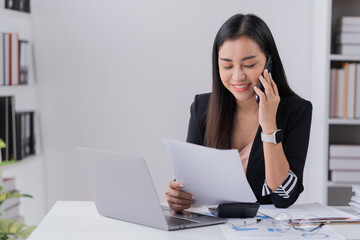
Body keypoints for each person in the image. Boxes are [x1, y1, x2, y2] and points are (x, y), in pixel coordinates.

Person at [165, 13, 312, 210]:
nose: (237, 76)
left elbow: (284, 196)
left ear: (269, 63)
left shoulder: (296, 111)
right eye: (227, 65)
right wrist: (178, 196)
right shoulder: (202, 107)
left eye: (249, 65)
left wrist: (269, 126)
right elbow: (189, 182)